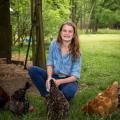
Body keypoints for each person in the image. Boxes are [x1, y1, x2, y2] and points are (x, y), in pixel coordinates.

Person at [28, 21, 82, 101]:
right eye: (64, 30)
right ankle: (48, 97)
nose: (67, 33)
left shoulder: (77, 50)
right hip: (54, 76)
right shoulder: (54, 44)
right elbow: (50, 63)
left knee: (69, 92)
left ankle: (59, 96)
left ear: (73, 35)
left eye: (70, 31)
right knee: (33, 70)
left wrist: (59, 82)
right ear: (60, 33)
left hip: (67, 80)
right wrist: (49, 78)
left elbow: (75, 76)